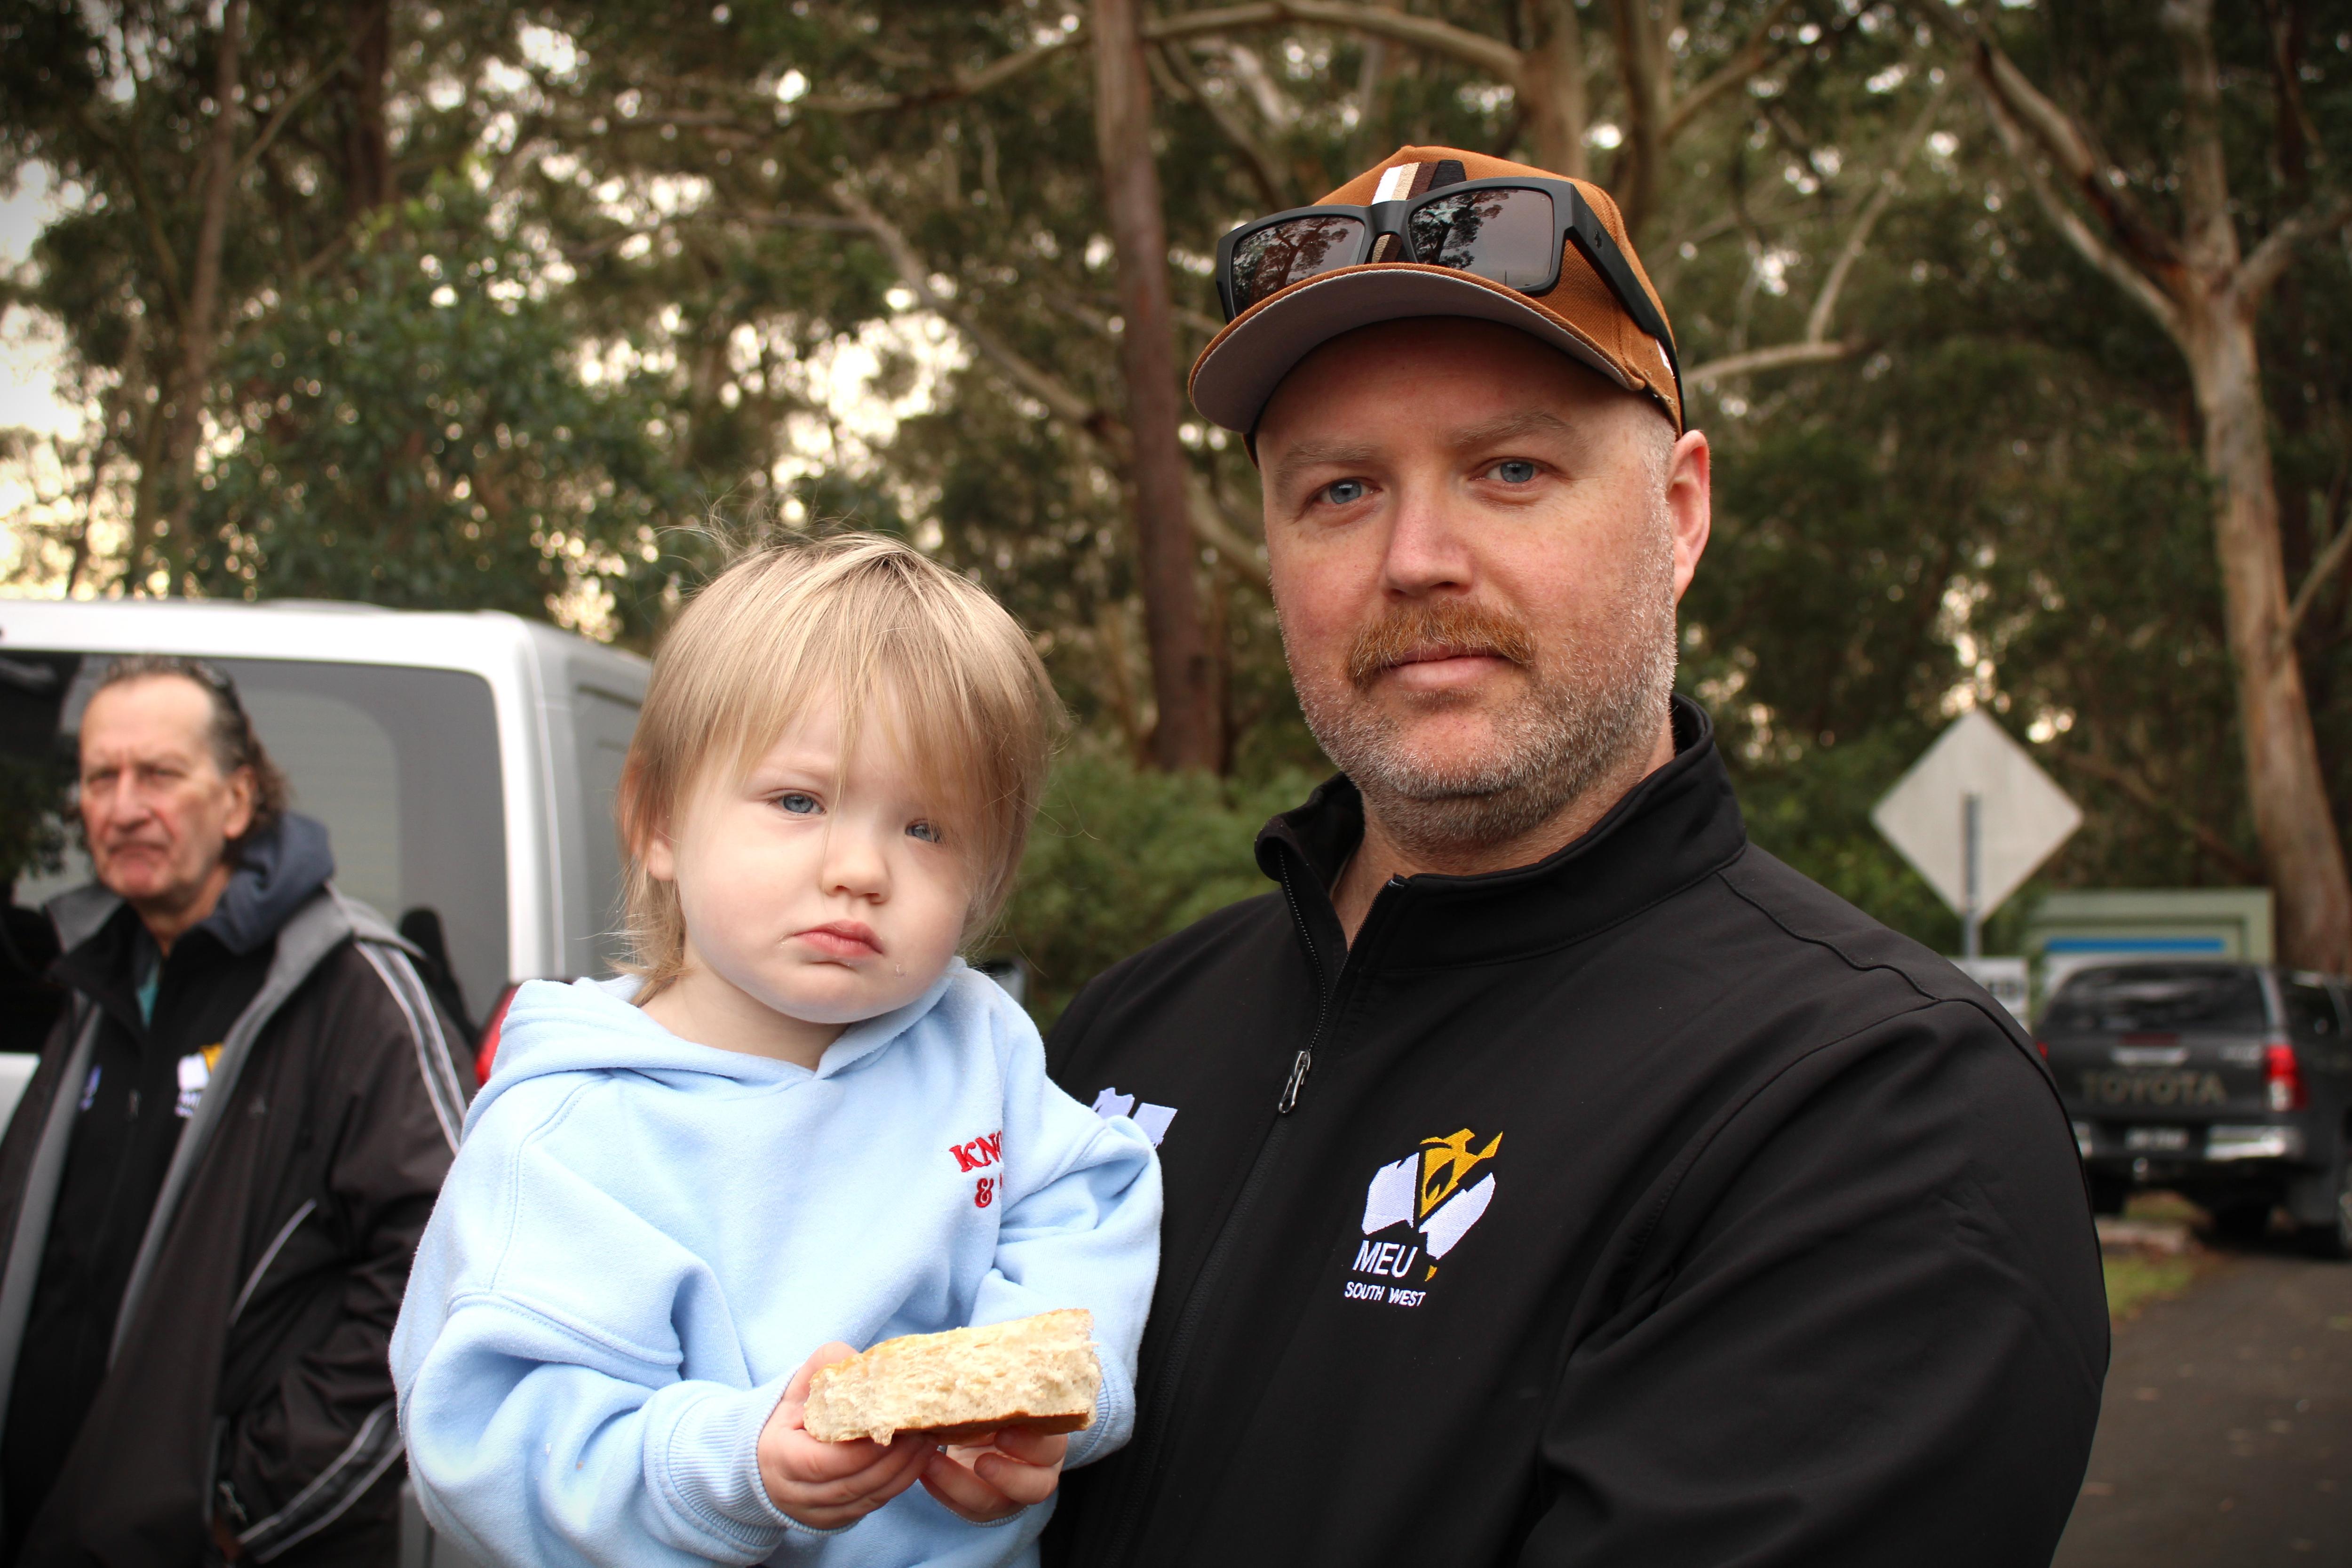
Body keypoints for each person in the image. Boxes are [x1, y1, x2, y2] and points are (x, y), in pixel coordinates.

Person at [1043, 146, 2108, 1567]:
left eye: (1511, 468)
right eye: (1341, 490)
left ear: (1678, 514)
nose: (1418, 556)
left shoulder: (1880, 1113)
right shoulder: (1120, 1034)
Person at [392, 535, 1162, 1568]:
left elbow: (1085, 1204)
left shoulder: (977, 1043)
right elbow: (495, 1441)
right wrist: (735, 1463)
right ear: (655, 819)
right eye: (798, 800)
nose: (859, 869)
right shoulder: (574, 1129)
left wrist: (1053, 1400)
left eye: (926, 829)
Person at [0, 656, 471, 1567]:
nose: (124, 805)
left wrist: (251, 1498)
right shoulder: (97, 982)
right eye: (102, 776)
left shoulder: (351, 987)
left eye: (161, 774)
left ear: (238, 797)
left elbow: (446, 1260)